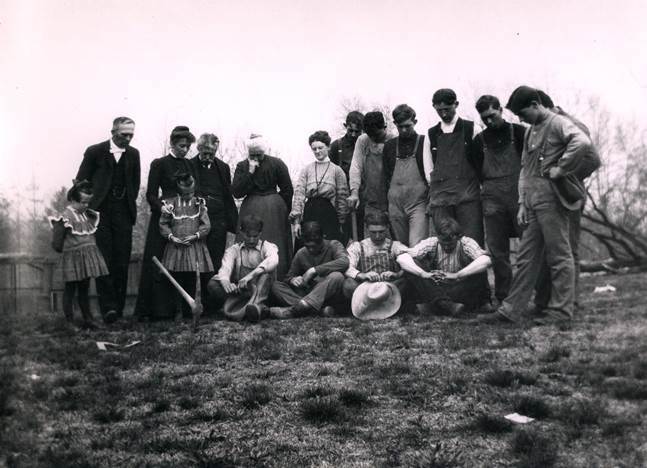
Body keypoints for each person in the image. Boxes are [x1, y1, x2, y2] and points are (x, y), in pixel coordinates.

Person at [478, 86, 591, 325]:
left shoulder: (557, 123)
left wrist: (562, 168)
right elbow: (525, 172)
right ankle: (510, 310)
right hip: (533, 203)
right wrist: (521, 203)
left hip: (553, 200)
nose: (519, 118)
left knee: (559, 257)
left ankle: (561, 312)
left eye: (522, 113)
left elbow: (582, 142)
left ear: (535, 104)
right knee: (526, 258)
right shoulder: (531, 132)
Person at [533, 90, 601, 312]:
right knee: (549, 249)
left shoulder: (568, 124)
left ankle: (568, 302)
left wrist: (562, 175)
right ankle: (544, 301)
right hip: (547, 199)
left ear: (543, 106)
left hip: (566, 197)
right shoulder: (545, 127)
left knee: (567, 249)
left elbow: (592, 159)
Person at [76, 116, 140, 323]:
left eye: (131, 135)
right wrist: (89, 207)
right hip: (100, 213)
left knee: (121, 260)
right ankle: (108, 309)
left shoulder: (134, 154)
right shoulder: (94, 151)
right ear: (113, 132)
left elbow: (135, 184)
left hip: (123, 212)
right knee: (104, 260)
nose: (128, 139)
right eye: (124, 135)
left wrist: (128, 204)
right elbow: (81, 181)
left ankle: (118, 310)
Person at [135, 125, 196, 320]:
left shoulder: (189, 165)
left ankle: (184, 309)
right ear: (172, 143)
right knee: (158, 259)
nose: (185, 150)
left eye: (188, 146)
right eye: (181, 146)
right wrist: (161, 207)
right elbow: (151, 194)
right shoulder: (159, 163)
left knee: (183, 259)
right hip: (165, 216)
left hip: (185, 215)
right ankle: (155, 311)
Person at [472, 95, 526, 305]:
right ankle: (504, 297)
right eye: (484, 118)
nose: (489, 121)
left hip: (519, 195)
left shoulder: (519, 133)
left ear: (501, 110)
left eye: (492, 116)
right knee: (498, 251)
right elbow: (478, 173)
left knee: (529, 246)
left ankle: (535, 296)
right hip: (492, 199)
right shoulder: (479, 141)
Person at [397, 217, 492, 315]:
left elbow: (486, 260)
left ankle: (435, 306)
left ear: (458, 238)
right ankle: (446, 304)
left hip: (459, 288)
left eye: (450, 244)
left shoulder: (466, 243)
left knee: (480, 269)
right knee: (413, 266)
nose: (446, 247)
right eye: (443, 244)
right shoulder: (432, 242)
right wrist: (423, 274)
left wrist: (457, 275)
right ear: (438, 237)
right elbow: (402, 257)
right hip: (434, 287)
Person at [426, 89, 484, 246]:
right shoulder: (431, 134)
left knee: (472, 243)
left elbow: (481, 163)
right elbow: (429, 168)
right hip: (442, 199)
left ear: (456, 104)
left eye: (447, 109)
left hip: (468, 197)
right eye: (439, 110)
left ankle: (475, 271)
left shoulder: (472, 129)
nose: (444, 114)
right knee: (446, 244)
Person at [231, 134, 293, 278]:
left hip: (274, 210)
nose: (256, 158)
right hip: (250, 209)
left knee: (275, 242)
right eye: (252, 155)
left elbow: (287, 189)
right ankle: (245, 278)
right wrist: (250, 173)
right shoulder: (242, 166)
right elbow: (237, 192)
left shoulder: (277, 163)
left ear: (264, 152)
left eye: (259, 154)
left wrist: (282, 209)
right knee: (249, 240)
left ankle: (278, 278)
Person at [190, 133, 238, 313]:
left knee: (216, 261)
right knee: (197, 261)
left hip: (219, 222)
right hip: (198, 221)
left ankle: (214, 305)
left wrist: (232, 223)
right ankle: (196, 304)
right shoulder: (190, 165)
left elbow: (228, 195)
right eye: (205, 153)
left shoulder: (223, 167)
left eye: (212, 153)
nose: (208, 157)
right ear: (199, 149)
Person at [49, 180, 107, 329]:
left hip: (86, 258)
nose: (86, 206)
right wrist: (69, 253)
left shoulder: (86, 215)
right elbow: (57, 242)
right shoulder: (66, 217)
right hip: (72, 258)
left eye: (88, 203)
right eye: (83, 202)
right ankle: (69, 321)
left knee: (84, 288)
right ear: (74, 200)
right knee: (70, 289)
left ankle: (88, 318)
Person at [159, 173, 213, 321]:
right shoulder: (171, 204)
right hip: (176, 248)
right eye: (186, 193)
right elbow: (163, 224)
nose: (189, 195)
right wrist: (172, 237)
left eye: (191, 192)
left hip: (194, 247)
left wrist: (196, 235)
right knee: (177, 279)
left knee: (193, 279)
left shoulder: (199, 204)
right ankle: (178, 311)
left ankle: (192, 310)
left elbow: (206, 225)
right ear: (179, 192)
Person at [270, 221, 349, 318]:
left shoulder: (334, 245)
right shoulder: (301, 253)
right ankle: (315, 310)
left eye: (314, 246)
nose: (311, 250)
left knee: (337, 276)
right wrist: (293, 280)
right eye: (308, 247)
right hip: (310, 293)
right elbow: (288, 277)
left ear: (322, 238)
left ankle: (296, 309)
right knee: (276, 285)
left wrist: (314, 270)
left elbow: (345, 262)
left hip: (328, 294)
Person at [207, 215, 279, 322]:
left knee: (266, 276)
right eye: (248, 236)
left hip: (263, 292)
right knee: (213, 284)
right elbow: (225, 267)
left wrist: (250, 276)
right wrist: (225, 281)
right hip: (243, 293)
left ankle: (253, 307)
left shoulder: (267, 247)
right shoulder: (234, 249)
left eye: (255, 236)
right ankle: (251, 309)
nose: (251, 240)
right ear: (241, 233)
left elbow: (273, 260)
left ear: (260, 233)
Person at [383, 104, 432, 246]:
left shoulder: (424, 142)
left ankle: (419, 268)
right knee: (400, 247)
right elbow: (386, 177)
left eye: (408, 126)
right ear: (395, 124)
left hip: (418, 203)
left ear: (415, 122)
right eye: (400, 127)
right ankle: (404, 270)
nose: (404, 130)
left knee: (417, 246)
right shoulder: (390, 146)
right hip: (395, 205)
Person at [290, 130, 348, 249]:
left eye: (320, 148)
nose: (317, 151)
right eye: (314, 149)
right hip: (309, 213)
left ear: (328, 147)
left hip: (328, 215)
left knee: (328, 249)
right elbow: (299, 194)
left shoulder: (337, 170)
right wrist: (296, 221)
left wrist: (341, 222)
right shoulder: (306, 170)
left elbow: (342, 198)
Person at [342, 211, 408, 305]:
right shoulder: (357, 247)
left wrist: (397, 274)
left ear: (387, 228)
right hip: (365, 289)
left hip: (388, 288)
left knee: (404, 282)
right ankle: (370, 303)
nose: (377, 236)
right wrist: (362, 275)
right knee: (348, 284)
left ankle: (385, 303)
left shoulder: (395, 246)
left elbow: (411, 262)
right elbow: (346, 266)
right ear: (367, 228)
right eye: (373, 232)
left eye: (381, 232)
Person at [347, 111, 391, 240]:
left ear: (385, 127)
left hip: (391, 202)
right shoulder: (363, 140)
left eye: (376, 134)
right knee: (370, 241)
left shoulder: (393, 140)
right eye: (370, 135)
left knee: (391, 242)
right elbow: (356, 166)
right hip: (371, 201)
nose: (373, 138)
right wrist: (354, 192)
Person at [329, 111, 364, 180]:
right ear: (345, 126)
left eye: (357, 132)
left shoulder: (366, 146)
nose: (353, 134)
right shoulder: (336, 146)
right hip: (343, 188)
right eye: (350, 131)